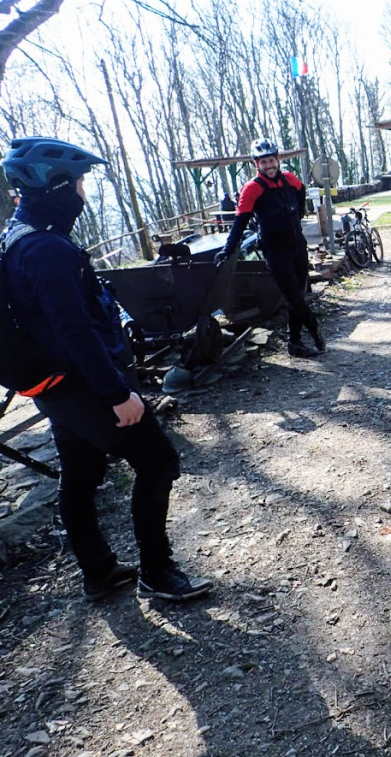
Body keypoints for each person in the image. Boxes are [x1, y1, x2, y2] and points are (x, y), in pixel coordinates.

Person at [1, 136, 211, 602]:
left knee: (80, 473)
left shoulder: (19, 237)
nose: (83, 192)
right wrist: (118, 394)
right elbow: (74, 332)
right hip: (83, 386)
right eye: (78, 183)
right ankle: (157, 572)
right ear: (56, 186)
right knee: (158, 462)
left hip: (55, 387)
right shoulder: (47, 250)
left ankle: (98, 573)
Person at [219, 138, 325, 358]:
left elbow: (301, 192)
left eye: (271, 160)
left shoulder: (290, 179)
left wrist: (298, 213)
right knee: (294, 297)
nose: (269, 166)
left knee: (298, 296)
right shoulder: (252, 188)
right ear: (256, 164)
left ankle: (295, 343)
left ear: (277, 159)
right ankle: (314, 327)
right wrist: (228, 249)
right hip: (276, 252)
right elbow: (240, 221)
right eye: (263, 162)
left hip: (297, 246)